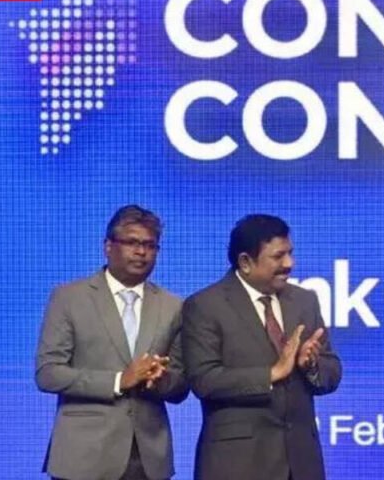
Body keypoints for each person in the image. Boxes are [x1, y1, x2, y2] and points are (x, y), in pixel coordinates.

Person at [182, 214, 341, 480]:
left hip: (302, 464)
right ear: (245, 262)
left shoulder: (305, 301)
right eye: (278, 256)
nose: (289, 264)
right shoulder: (205, 306)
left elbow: (332, 370)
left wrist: (311, 366)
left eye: (290, 253)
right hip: (238, 465)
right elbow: (204, 380)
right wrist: (271, 373)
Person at [36, 205, 188, 480]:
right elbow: (48, 373)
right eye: (132, 243)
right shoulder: (69, 298)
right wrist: (119, 381)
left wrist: (160, 380)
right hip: (83, 458)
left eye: (150, 245)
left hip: (147, 460)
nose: (141, 252)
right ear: (108, 246)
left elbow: (180, 388)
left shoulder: (173, 306)